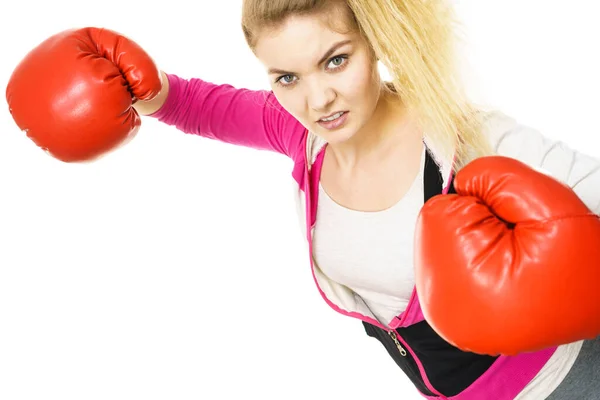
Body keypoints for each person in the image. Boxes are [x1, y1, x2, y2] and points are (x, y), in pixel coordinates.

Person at [6, 0, 600, 398]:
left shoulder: (466, 141)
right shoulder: (306, 140)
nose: (318, 100)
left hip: (569, 379)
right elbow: (201, 108)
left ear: (375, 43)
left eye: (335, 60)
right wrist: (143, 89)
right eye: (286, 77)